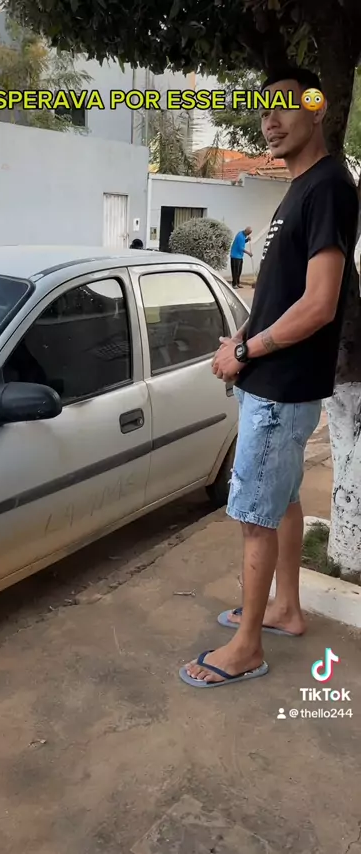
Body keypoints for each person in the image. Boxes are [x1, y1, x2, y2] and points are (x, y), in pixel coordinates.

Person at [180, 66, 359, 688]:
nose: (271, 121)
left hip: (282, 387)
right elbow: (281, 294)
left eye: (285, 106)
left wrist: (246, 350)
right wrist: (241, 337)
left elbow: (319, 304)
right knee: (280, 500)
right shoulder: (300, 188)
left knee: (255, 512)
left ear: (318, 108)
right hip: (273, 381)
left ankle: (247, 647)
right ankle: (285, 610)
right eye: (264, 111)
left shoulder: (327, 186)